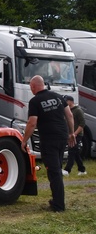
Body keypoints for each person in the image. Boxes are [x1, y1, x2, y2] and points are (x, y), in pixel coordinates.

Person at [21, 75, 75, 212]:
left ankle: (58, 205)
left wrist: (24, 140)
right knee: (56, 169)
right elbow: (69, 115)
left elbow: (32, 123)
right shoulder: (58, 96)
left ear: (33, 87)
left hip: (49, 139)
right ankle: (57, 200)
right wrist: (72, 133)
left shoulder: (35, 101)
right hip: (62, 136)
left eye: (30, 87)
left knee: (54, 171)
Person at [63, 95, 87, 176]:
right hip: (70, 134)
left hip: (77, 134)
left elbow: (82, 123)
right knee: (75, 152)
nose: (65, 103)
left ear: (70, 101)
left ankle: (67, 170)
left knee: (72, 151)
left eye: (66, 101)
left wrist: (75, 133)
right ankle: (82, 170)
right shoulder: (67, 110)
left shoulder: (78, 111)